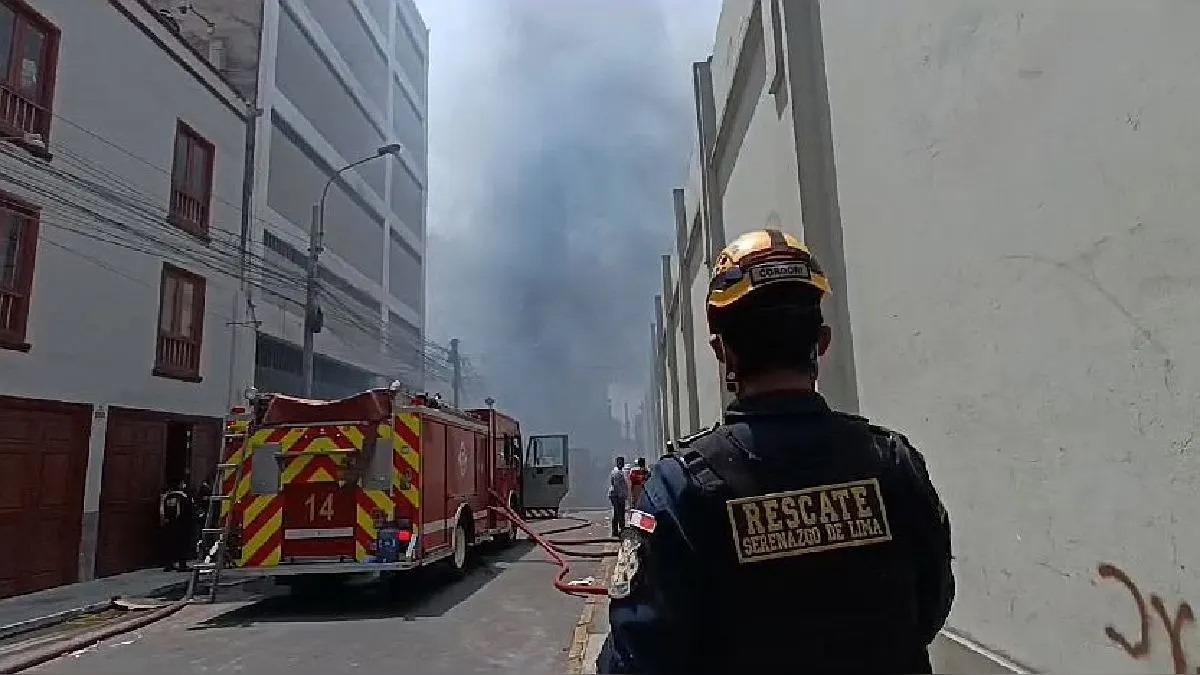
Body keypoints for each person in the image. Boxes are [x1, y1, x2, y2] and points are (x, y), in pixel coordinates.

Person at [598, 229, 954, 674]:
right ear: (821, 344)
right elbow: (932, 603)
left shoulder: (679, 488)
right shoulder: (893, 463)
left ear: (722, 353)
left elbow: (637, 658)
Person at [159, 479, 195, 572]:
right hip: (181, 525)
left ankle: (168, 564)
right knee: (182, 546)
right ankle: (182, 565)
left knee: (169, 545)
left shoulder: (166, 496)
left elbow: (162, 511)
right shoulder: (183, 496)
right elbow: (188, 511)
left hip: (168, 524)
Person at [607, 456, 629, 538]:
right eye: (619, 462)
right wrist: (621, 495)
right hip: (616, 495)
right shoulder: (616, 472)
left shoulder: (620, 471)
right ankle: (618, 530)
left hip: (618, 495)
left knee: (620, 512)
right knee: (618, 512)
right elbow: (616, 485)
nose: (621, 464)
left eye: (622, 462)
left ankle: (619, 530)